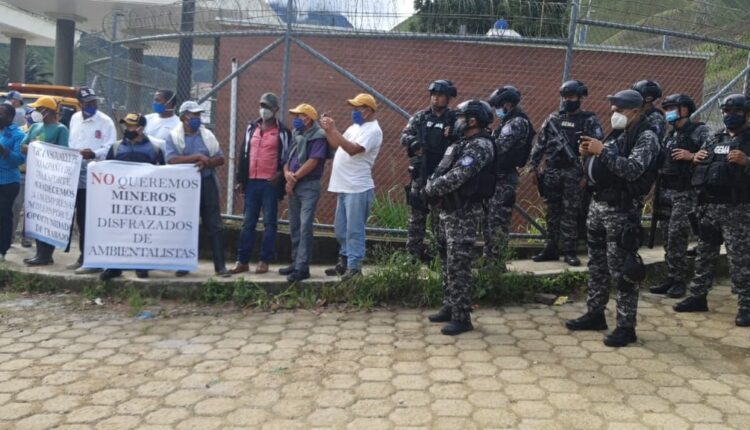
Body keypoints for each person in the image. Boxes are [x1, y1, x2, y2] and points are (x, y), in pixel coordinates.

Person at [567, 89, 660, 347]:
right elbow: (604, 166)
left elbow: (632, 170)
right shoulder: (619, 134)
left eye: (619, 111)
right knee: (597, 265)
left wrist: (601, 152)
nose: (614, 115)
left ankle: (626, 326)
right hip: (599, 206)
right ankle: (595, 313)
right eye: (613, 111)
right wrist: (587, 155)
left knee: (623, 271)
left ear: (634, 111)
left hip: (621, 210)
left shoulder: (646, 136)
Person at [673, 94, 750, 327]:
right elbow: (701, 159)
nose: (729, 116)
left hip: (738, 208)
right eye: (726, 112)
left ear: (747, 115)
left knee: (740, 259)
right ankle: (698, 296)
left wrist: (747, 161)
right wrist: (696, 158)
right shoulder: (716, 137)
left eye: (735, 112)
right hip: (709, 206)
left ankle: (746, 305)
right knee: (705, 254)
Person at [424, 100, 496, 335]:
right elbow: (441, 169)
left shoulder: (481, 145)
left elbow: (460, 174)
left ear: (472, 120)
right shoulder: (459, 144)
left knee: (458, 264)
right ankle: (450, 305)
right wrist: (430, 184)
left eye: (461, 117)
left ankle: (462, 316)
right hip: (447, 210)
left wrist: (431, 189)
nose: (456, 121)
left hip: (464, 212)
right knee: (445, 259)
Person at [529, 80, 604, 266]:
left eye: (571, 97)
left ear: (580, 98)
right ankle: (551, 247)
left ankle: (569, 250)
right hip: (552, 170)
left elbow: (596, 149)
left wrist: (587, 176)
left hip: (574, 172)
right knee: (551, 212)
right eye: (565, 97)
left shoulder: (589, 120)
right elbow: (540, 144)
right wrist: (533, 167)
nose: (567, 100)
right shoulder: (553, 119)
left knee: (571, 212)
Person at [649, 94, 710, 298]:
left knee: (677, 235)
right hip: (666, 191)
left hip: (686, 192)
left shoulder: (699, 131)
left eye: (673, 108)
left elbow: (711, 154)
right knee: (667, 235)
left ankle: (680, 280)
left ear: (686, 109)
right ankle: (671, 276)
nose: (669, 112)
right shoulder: (670, 134)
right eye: (666, 109)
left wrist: (691, 156)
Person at [320, 93, 383, 280]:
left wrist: (334, 129)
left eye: (358, 109)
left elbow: (352, 149)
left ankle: (354, 268)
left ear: (368, 110)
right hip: (344, 186)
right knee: (340, 229)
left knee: (354, 230)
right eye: (353, 109)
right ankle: (344, 261)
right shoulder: (354, 127)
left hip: (358, 187)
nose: (354, 112)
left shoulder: (373, 130)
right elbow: (336, 144)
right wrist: (327, 129)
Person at [165, 101, 231, 278]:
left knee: (214, 225)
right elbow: (171, 160)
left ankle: (220, 266)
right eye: (194, 116)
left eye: (198, 116)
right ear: (184, 117)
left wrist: (207, 162)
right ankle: (183, 265)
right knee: (185, 225)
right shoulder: (174, 137)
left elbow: (220, 159)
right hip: (184, 189)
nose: (197, 119)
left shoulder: (207, 135)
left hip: (206, 183)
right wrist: (197, 157)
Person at [100, 113, 166, 281]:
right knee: (117, 232)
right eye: (125, 125)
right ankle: (115, 267)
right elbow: (107, 171)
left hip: (143, 200)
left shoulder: (154, 149)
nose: (126, 129)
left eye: (130, 126)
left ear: (141, 128)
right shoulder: (115, 147)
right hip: (119, 199)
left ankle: (141, 265)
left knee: (141, 233)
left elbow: (163, 175)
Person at [231, 92, 291, 275]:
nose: (263, 110)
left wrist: (280, 175)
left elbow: (288, 157)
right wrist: (240, 179)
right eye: (261, 105)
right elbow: (244, 153)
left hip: (269, 184)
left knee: (270, 223)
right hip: (252, 182)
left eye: (267, 107)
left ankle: (264, 261)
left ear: (275, 110)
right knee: (248, 222)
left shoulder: (282, 132)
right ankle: (242, 261)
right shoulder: (252, 128)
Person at [400, 80, 457, 263]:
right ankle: (412, 255)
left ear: (447, 98)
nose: (435, 98)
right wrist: (413, 142)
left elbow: (465, 141)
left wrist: (454, 134)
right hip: (420, 174)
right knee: (416, 217)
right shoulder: (421, 117)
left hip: (441, 176)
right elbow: (404, 135)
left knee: (439, 220)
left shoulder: (454, 119)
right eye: (433, 95)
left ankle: (436, 256)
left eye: (439, 95)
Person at [67, 87, 116, 274]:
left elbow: (110, 146)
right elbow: (72, 144)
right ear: (80, 104)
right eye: (88, 103)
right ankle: (83, 256)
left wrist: (94, 153)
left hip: (95, 175)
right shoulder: (74, 119)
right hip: (76, 173)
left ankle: (93, 259)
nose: (92, 106)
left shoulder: (105, 122)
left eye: (94, 102)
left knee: (91, 216)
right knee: (80, 217)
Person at [484, 85, 534, 264]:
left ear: (507, 104)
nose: (497, 110)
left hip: (505, 179)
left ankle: (496, 263)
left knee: (498, 223)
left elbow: (498, 148)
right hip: (498, 178)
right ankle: (489, 259)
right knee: (490, 221)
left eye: (499, 106)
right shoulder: (508, 122)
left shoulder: (517, 122)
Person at [278, 103, 328, 282]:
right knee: (295, 225)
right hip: (294, 184)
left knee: (306, 224)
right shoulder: (296, 134)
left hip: (308, 185)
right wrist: (287, 175)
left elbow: (313, 161)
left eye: (299, 116)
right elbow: (287, 159)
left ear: (307, 118)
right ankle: (295, 262)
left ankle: (302, 267)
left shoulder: (319, 136)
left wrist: (294, 178)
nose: (296, 119)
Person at [21, 96, 70, 266]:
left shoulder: (60, 129)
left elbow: (63, 152)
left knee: (48, 217)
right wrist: (32, 148)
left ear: (46, 111)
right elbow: (24, 146)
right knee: (37, 215)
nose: (35, 112)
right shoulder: (35, 127)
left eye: (38, 108)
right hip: (35, 177)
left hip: (51, 180)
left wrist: (40, 150)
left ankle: (46, 254)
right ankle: (39, 253)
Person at [0, 104, 26, 262]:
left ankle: (2, 249)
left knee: (3, 214)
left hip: (9, 181)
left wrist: (3, 150)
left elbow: (19, 159)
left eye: (1, 114)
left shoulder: (17, 134)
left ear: (9, 117)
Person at [10, 107, 39, 248]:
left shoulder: (40, 131)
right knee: (15, 206)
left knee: (31, 209)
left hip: (36, 175)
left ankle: (27, 238)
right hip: (21, 174)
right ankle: (9, 237)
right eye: (29, 114)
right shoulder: (19, 131)